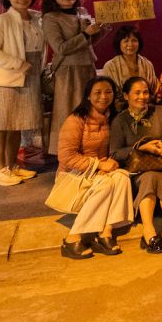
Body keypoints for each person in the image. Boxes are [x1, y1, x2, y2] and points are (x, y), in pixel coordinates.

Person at [56, 76, 133, 260]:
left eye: (108, 92)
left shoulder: (111, 118)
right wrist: (99, 164)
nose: (103, 97)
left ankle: (105, 232)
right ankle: (72, 237)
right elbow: (66, 157)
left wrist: (110, 163)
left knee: (122, 177)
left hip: (99, 171)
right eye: (97, 93)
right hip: (73, 175)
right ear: (88, 96)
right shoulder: (75, 120)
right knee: (106, 184)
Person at [109, 77, 162, 254]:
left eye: (145, 92)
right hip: (136, 172)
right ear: (126, 95)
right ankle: (150, 229)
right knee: (151, 177)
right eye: (137, 93)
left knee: (159, 176)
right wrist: (140, 147)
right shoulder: (119, 121)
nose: (142, 96)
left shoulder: (160, 112)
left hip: (161, 166)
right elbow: (114, 153)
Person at [0, 0, 44, 186]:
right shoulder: (2, 21)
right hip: (7, 78)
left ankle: (12, 166)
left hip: (31, 74)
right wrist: (17, 63)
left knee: (17, 124)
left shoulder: (36, 19)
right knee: (1, 124)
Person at [42, 0, 107, 155]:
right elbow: (61, 48)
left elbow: (88, 42)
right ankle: (66, 154)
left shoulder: (82, 11)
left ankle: (90, 150)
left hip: (88, 67)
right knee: (68, 113)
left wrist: (101, 31)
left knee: (91, 111)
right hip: (68, 72)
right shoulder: (50, 18)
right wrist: (86, 33)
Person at [101, 25, 158, 107]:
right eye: (126, 41)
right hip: (120, 111)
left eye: (134, 40)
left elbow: (154, 90)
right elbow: (107, 94)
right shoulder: (110, 66)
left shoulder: (147, 64)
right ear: (119, 43)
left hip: (146, 106)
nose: (130, 44)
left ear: (139, 43)